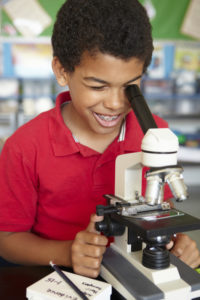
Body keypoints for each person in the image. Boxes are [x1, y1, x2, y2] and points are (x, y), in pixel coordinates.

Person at [0, 0, 199, 279]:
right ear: (62, 71)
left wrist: (177, 243)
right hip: (55, 278)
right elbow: (7, 241)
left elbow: (162, 212)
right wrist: (69, 252)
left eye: (130, 86)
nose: (116, 103)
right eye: (97, 86)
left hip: (134, 271)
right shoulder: (24, 146)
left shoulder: (155, 134)